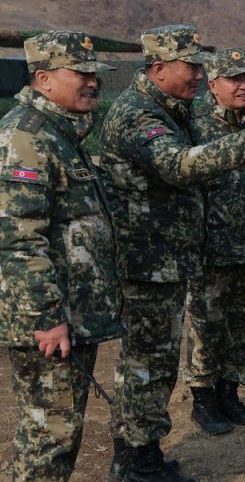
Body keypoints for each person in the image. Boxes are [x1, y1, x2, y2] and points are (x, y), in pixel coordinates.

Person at [100, 25, 245, 482]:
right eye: (192, 66)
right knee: (144, 365)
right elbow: (177, 164)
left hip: (167, 259)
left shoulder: (170, 109)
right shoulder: (138, 114)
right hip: (145, 262)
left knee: (154, 364)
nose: (200, 75)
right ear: (159, 68)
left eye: (203, 66)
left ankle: (142, 454)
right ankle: (135, 460)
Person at [0, 31, 119, 482]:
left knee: (59, 429)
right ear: (44, 78)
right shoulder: (26, 138)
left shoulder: (60, 132)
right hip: (49, 315)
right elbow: (18, 238)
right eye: (81, 74)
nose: (93, 83)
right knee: (50, 433)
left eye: (95, 74)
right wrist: (47, 315)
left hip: (72, 309)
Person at [183, 49, 245, 434]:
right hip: (213, 252)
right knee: (207, 329)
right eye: (235, 79)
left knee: (243, 326)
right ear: (213, 83)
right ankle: (204, 401)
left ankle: (230, 393)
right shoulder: (195, 124)